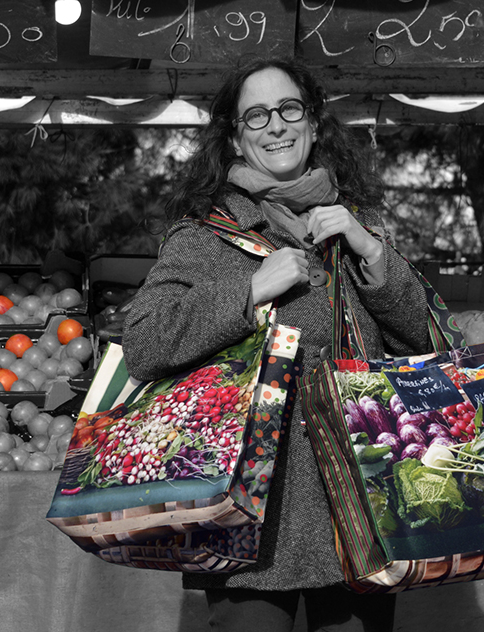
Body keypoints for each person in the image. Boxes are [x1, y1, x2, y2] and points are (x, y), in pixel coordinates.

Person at [122, 56, 432, 631]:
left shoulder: (356, 224)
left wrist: (370, 253)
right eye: (256, 116)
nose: (276, 125)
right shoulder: (205, 234)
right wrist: (249, 290)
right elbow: (143, 342)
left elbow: (430, 339)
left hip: (362, 499)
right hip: (253, 515)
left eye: (289, 109)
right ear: (236, 140)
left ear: (314, 124)